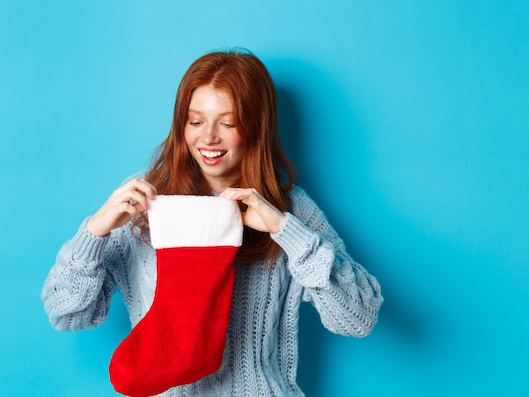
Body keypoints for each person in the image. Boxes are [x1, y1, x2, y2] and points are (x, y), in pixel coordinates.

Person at [41, 49, 383, 396]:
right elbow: (66, 314)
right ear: (181, 125)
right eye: (196, 121)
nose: (208, 138)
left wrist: (285, 229)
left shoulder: (289, 207)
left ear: (253, 127)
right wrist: (95, 232)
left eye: (228, 122)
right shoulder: (145, 201)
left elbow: (358, 318)